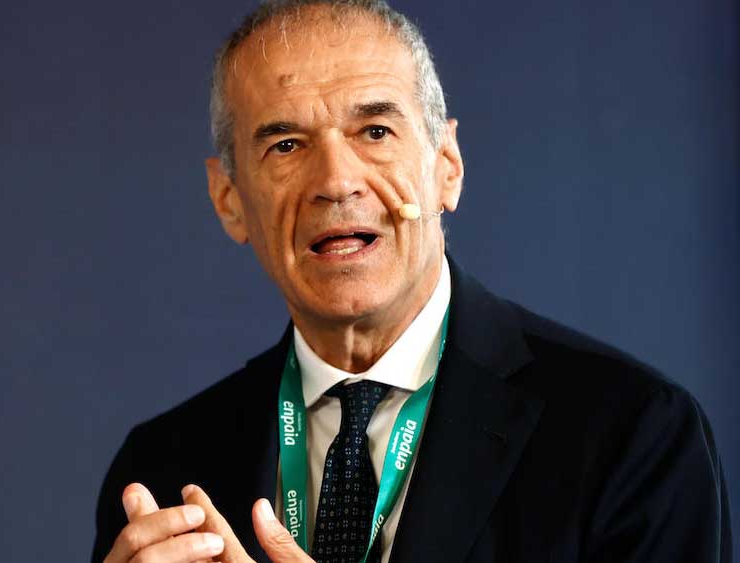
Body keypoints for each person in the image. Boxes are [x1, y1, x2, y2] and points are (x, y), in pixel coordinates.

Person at [91, 1, 732, 562]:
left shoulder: (631, 433)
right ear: (229, 200)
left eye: (375, 131)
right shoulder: (162, 471)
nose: (336, 181)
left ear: (446, 167)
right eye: (285, 145)